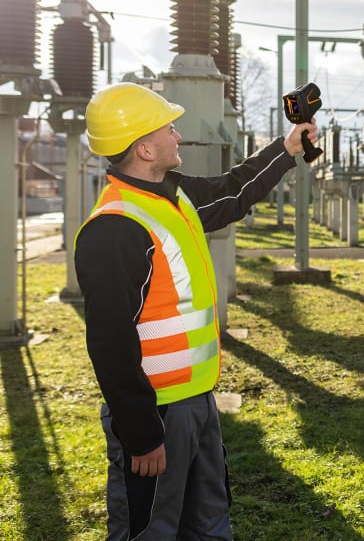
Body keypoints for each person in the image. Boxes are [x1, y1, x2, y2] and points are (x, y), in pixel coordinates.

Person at [74, 81, 317, 540]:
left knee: (207, 525)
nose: (178, 136)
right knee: (150, 530)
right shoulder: (114, 229)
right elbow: (108, 342)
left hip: (196, 402)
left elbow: (233, 190)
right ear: (145, 148)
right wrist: (141, 432)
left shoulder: (173, 196)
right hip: (156, 413)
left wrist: (286, 150)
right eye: (169, 128)